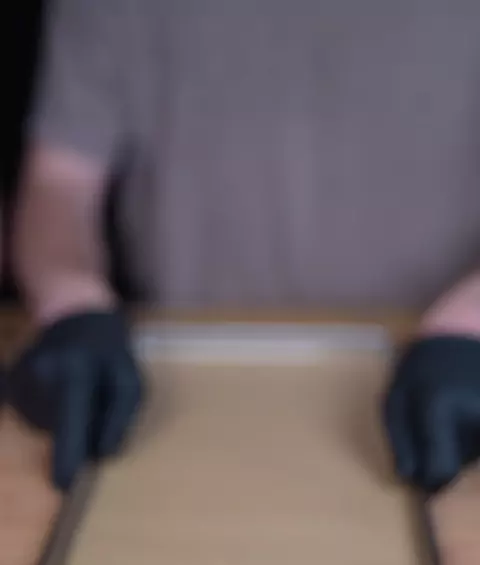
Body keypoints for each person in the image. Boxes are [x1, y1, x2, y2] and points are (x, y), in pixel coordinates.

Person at [8, 0, 480, 492]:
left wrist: (471, 320)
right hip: (172, 378)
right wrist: (70, 302)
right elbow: (59, 181)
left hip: (440, 367)